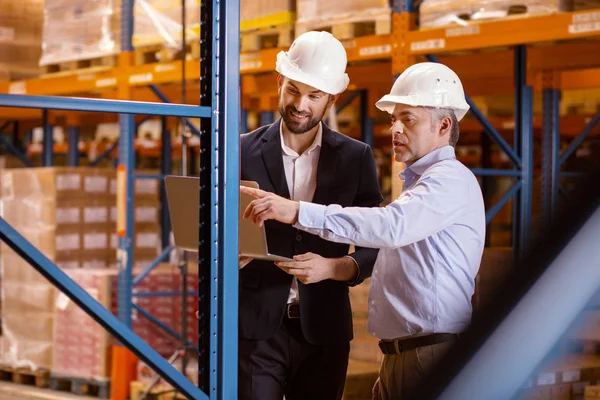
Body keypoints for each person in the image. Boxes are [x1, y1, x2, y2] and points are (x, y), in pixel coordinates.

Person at [240, 62, 486, 400]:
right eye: (393, 119)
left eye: (408, 119)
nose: (395, 129)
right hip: (401, 353)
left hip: (428, 351)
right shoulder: (420, 186)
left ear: (444, 125)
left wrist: (296, 211)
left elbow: (388, 227)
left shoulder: (448, 180)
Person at [237, 31, 383, 400]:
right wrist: (224, 257)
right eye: (293, 90)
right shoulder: (240, 150)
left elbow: (375, 241)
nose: (300, 104)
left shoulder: (355, 157)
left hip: (325, 329)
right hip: (255, 330)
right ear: (279, 83)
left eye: (314, 96)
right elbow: (210, 228)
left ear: (331, 99)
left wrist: (335, 268)